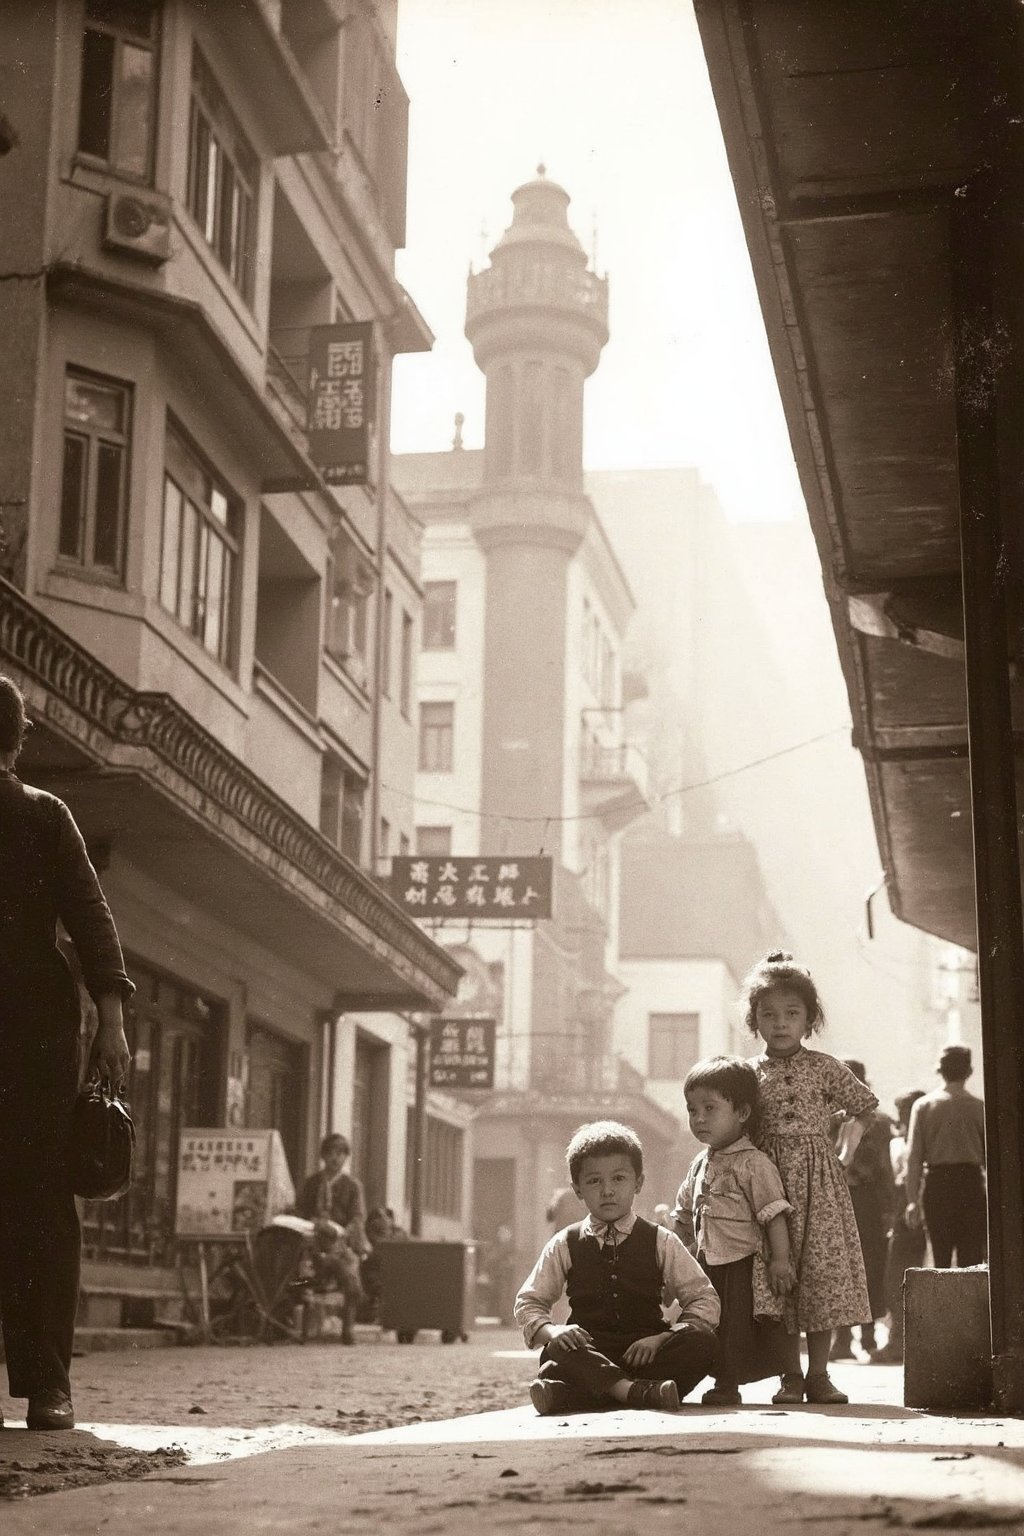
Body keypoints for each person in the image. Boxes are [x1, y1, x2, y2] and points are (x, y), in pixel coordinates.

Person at [0, 675, 132, 1431]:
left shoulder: (47, 815)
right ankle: (48, 1388)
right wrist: (109, 1018)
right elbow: (89, 916)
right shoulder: (45, 814)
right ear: (20, 740)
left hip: (31, 1031)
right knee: (45, 1206)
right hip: (38, 1033)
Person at [743, 950, 879, 1406]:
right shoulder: (746, 1074)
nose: (780, 1023)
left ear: (809, 1019)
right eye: (769, 1014)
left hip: (821, 1187)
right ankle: (790, 1377)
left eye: (792, 1014)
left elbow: (865, 1105)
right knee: (776, 1281)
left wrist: (847, 1146)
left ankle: (820, 1376)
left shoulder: (824, 1067)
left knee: (822, 1276)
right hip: (766, 1188)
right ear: (754, 1020)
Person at [514, 1119, 719, 1415]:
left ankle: (573, 1396)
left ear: (638, 1182)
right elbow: (529, 1301)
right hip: (590, 1352)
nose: (607, 1190)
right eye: (594, 1181)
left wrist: (662, 1337)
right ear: (578, 1189)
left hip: (647, 1353)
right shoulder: (565, 1242)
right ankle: (636, 1392)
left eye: (619, 1179)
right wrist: (552, 1331)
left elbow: (704, 1298)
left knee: (704, 1343)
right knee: (556, 1349)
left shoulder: (661, 1240)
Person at [673, 1055, 794, 1406]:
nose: (699, 1119)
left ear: (741, 1113)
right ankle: (705, 1378)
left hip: (742, 1264)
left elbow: (773, 1214)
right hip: (706, 1262)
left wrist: (781, 1260)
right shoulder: (699, 1163)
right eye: (692, 1110)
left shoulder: (753, 1163)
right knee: (707, 1323)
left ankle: (729, 1383)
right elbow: (683, 1213)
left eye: (710, 1108)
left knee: (736, 1328)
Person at [830, 1059, 895, 1361]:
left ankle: (849, 1338)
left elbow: (884, 1169)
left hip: (853, 1198)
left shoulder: (835, 1119)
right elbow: (885, 1170)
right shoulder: (877, 1122)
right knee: (860, 1266)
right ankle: (856, 1338)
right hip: (860, 1200)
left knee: (850, 1265)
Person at [905, 1044, 986, 1267]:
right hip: (971, 1184)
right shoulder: (979, 1107)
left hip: (937, 1185)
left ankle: (943, 1303)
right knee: (971, 1259)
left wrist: (912, 1200)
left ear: (939, 1070)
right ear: (969, 1072)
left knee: (939, 1256)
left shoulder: (923, 1106)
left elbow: (914, 1158)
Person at [296, 1132, 368, 1343]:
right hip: (313, 1243)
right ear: (323, 1155)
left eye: (341, 1153)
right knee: (298, 1276)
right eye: (331, 1153)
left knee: (350, 1278)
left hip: (341, 1244)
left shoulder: (353, 1186)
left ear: (346, 1157)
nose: (335, 1158)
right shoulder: (311, 1183)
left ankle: (348, 1328)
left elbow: (357, 1217)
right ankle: (301, 1326)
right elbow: (300, 1210)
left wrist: (343, 1233)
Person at [872, 1088, 927, 1364]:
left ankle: (902, 1342)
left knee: (903, 1278)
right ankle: (898, 1339)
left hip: (914, 1217)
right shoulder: (897, 1143)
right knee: (895, 1279)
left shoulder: (912, 1145)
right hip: (901, 1218)